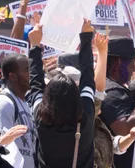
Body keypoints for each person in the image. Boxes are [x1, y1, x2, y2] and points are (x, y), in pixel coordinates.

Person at [36, 20, 96, 167]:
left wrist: (35, 47)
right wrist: (86, 38)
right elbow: (88, 77)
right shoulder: (86, 116)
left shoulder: (39, 117)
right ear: (76, 97)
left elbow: (35, 85)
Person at [0, 24, 43, 167]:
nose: (31, 73)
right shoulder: (3, 103)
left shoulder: (24, 103)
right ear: (13, 76)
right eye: (27, 70)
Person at [100, 37, 135, 168]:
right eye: (132, 62)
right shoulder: (112, 91)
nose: (134, 69)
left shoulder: (114, 87)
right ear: (118, 62)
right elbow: (124, 130)